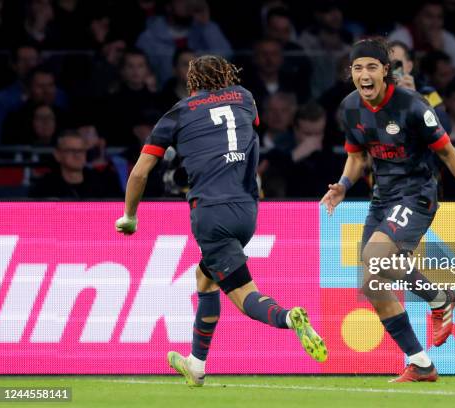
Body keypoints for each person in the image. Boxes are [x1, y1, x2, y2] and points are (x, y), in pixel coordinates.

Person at [115, 55, 327, 386]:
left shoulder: (180, 112)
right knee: (206, 278)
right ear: (227, 76)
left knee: (244, 295)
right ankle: (197, 365)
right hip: (247, 210)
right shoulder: (245, 98)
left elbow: (141, 172)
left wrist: (129, 216)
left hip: (211, 214)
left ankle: (289, 318)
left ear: (192, 82)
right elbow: (240, 138)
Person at [320, 38, 455, 383]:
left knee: (375, 256)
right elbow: (357, 157)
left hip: (417, 194)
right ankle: (421, 362)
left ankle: (438, 297)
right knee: (372, 282)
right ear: (350, 73)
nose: (364, 75)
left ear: (386, 71)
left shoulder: (413, 106)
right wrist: (343, 184)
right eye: (358, 68)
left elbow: (447, 152)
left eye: (372, 67)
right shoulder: (350, 108)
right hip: (382, 197)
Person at [29, 129, 123, 198]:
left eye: (81, 150)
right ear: (57, 155)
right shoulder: (44, 187)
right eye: (71, 150)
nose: (77, 155)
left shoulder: (105, 182)